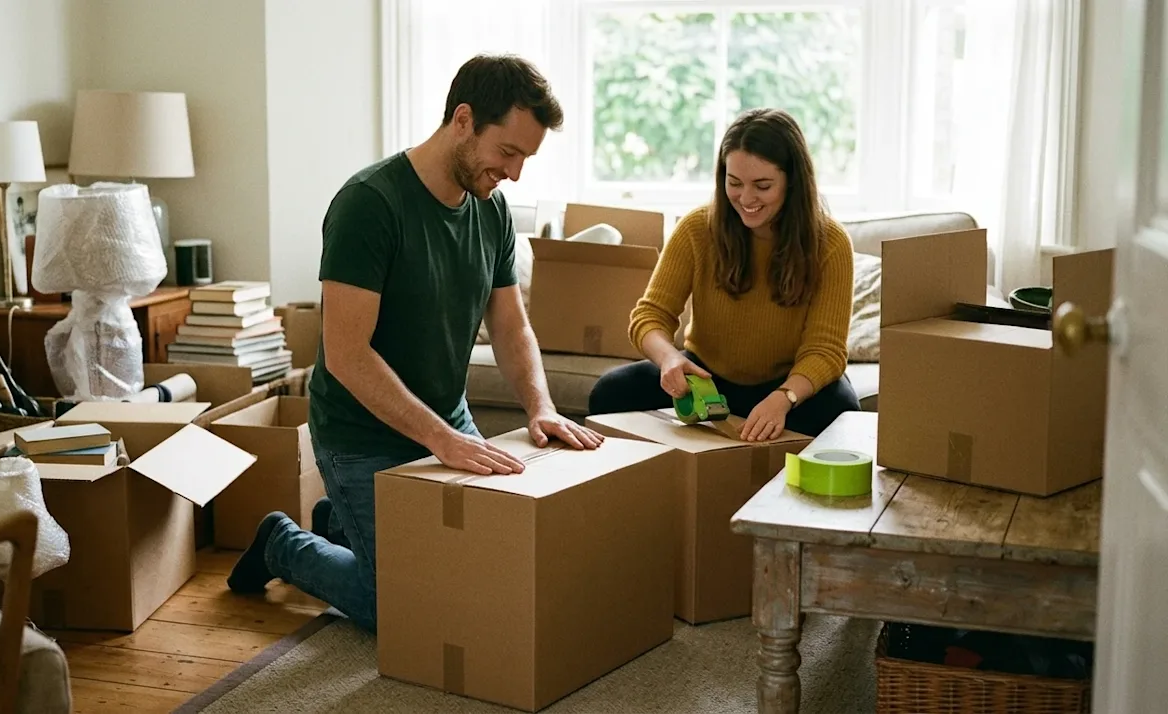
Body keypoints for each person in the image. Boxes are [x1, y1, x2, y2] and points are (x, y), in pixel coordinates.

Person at [227, 54, 605, 633]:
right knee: (406, 604)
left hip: (446, 424)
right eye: (508, 152)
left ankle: (341, 522)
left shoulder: (492, 210)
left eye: (527, 158)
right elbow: (348, 356)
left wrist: (541, 407)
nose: (516, 173)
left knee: (495, 570)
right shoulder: (369, 205)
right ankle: (284, 544)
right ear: (463, 119)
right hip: (361, 436)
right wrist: (441, 441)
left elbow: (510, 325)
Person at [588, 108, 859, 441]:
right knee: (609, 392)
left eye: (762, 185)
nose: (745, 199)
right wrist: (669, 359)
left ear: (793, 180)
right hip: (706, 378)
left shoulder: (830, 243)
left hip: (788, 385)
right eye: (734, 183)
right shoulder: (696, 228)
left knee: (844, 418)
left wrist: (783, 399)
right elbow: (649, 316)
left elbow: (826, 350)